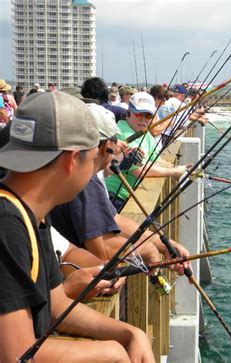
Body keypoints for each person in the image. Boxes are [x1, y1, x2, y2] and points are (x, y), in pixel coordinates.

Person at [0, 91, 154, 362]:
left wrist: (129, 333)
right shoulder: (7, 224)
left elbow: (56, 304)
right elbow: (17, 356)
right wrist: (112, 352)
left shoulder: (32, 215)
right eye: (95, 154)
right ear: (72, 159)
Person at [50, 103, 189, 270]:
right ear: (105, 146)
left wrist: (164, 244)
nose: (120, 144)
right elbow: (101, 250)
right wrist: (148, 250)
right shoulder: (85, 183)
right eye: (115, 139)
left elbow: (115, 220)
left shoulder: (85, 176)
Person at [105, 92, 188, 210]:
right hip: (115, 197)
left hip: (128, 196)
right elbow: (139, 170)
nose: (143, 120)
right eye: (139, 114)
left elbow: (156, 160)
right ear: (128, 113)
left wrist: (176, 168)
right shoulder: (122, 132)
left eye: (148, 116)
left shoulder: (145, 133)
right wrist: (173, 173)